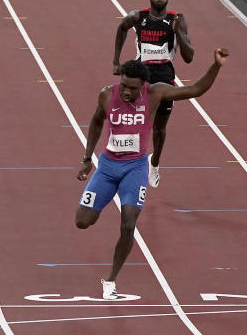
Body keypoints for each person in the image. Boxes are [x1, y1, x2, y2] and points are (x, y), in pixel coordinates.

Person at [76, 48, 228, 300]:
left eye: (133, 89)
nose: (127, 92)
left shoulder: (155, 92)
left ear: (143, 86)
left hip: (135, 169)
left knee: (128, 222)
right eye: (124, 85)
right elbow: (95, 122)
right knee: (82, 221)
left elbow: (195, 90)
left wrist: (216, 65)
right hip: (107, 167)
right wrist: (86, 158)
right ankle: (97, 205)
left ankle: (111, 280)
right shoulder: (106, 95)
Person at [112, 0, 194, 187]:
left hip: (165, 76)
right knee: (131, 120)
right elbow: (121, 28)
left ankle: (154, 163)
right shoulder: (138, 17)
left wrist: (178, 33)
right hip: (141, 75)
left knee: (159, 128)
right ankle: (126, 161)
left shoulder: (177, 19)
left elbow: (189, 56)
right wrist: (116, 61)